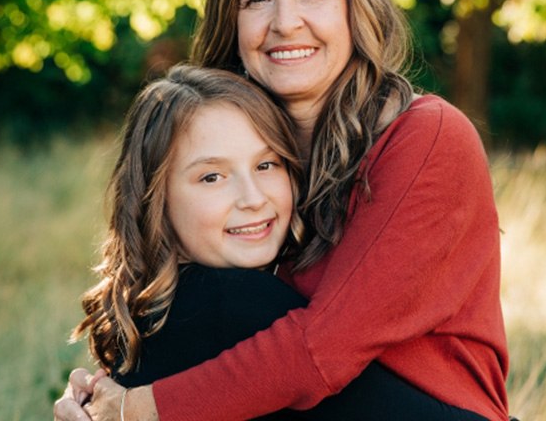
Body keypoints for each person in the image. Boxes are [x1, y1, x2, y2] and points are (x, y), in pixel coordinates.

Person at [54, 0, 510, 421]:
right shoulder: (246, 151)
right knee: (181, 297)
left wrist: (139, 408)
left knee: (212, 299)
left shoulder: (427, 136)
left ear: (354, 7)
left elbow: (323, 349)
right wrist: (99, 398)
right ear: (232, 20)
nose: (286, 22)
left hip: (436, 413)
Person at [60, 63, 429, 421]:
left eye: (266, 165)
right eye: (212, 177)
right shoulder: (229, 300)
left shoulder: (146, 316)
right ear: (155, 199)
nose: (252, 198)